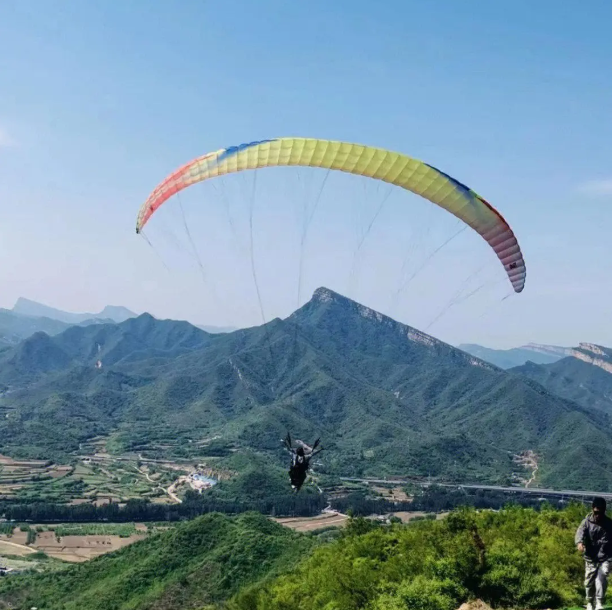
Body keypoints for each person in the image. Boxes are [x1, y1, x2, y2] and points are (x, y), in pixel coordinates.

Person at [576, 497, 612, 610]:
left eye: (601, 513)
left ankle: (599, 602)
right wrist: (580, 543)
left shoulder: (609, 523)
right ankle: (590, 602)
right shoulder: (586, 522)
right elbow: (580, 533)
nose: (598, 515)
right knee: (589, 581)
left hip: (605, 556)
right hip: (590, 557)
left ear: (604, 511)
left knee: (602, 577)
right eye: (596, 512)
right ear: (592, 509)